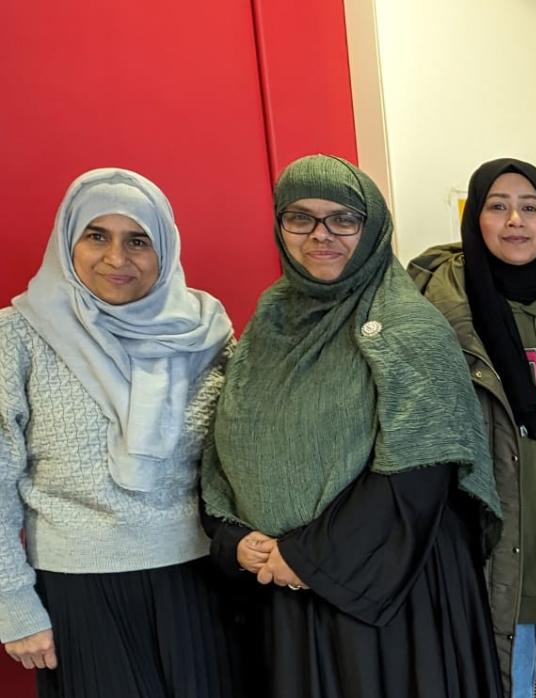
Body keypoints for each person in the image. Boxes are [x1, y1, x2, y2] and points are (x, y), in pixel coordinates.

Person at [201, 154, 502, 697]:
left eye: (344, 219)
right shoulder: (269, 322)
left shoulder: (410, 326)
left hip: (396, 592)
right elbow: (232, 442)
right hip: (287, 590)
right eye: (301, 218)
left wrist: (306, 558)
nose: (322, 235)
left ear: (372, 229)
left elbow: (420, 474)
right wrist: (236, 539)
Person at [0, 168, 236, 696]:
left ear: (165, 248)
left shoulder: (204, 334)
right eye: (96, 236)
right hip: (78, 592)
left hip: (199, 582)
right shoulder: (18, 336)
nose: (116, 258)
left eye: (137, 241)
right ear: (67, 241)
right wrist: (12, 604)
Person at [409, 158, 536, 696]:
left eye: (529, 207)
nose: (514, 221)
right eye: (497, 207)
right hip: (491, 573)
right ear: (473, 219)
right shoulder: (437, 313)